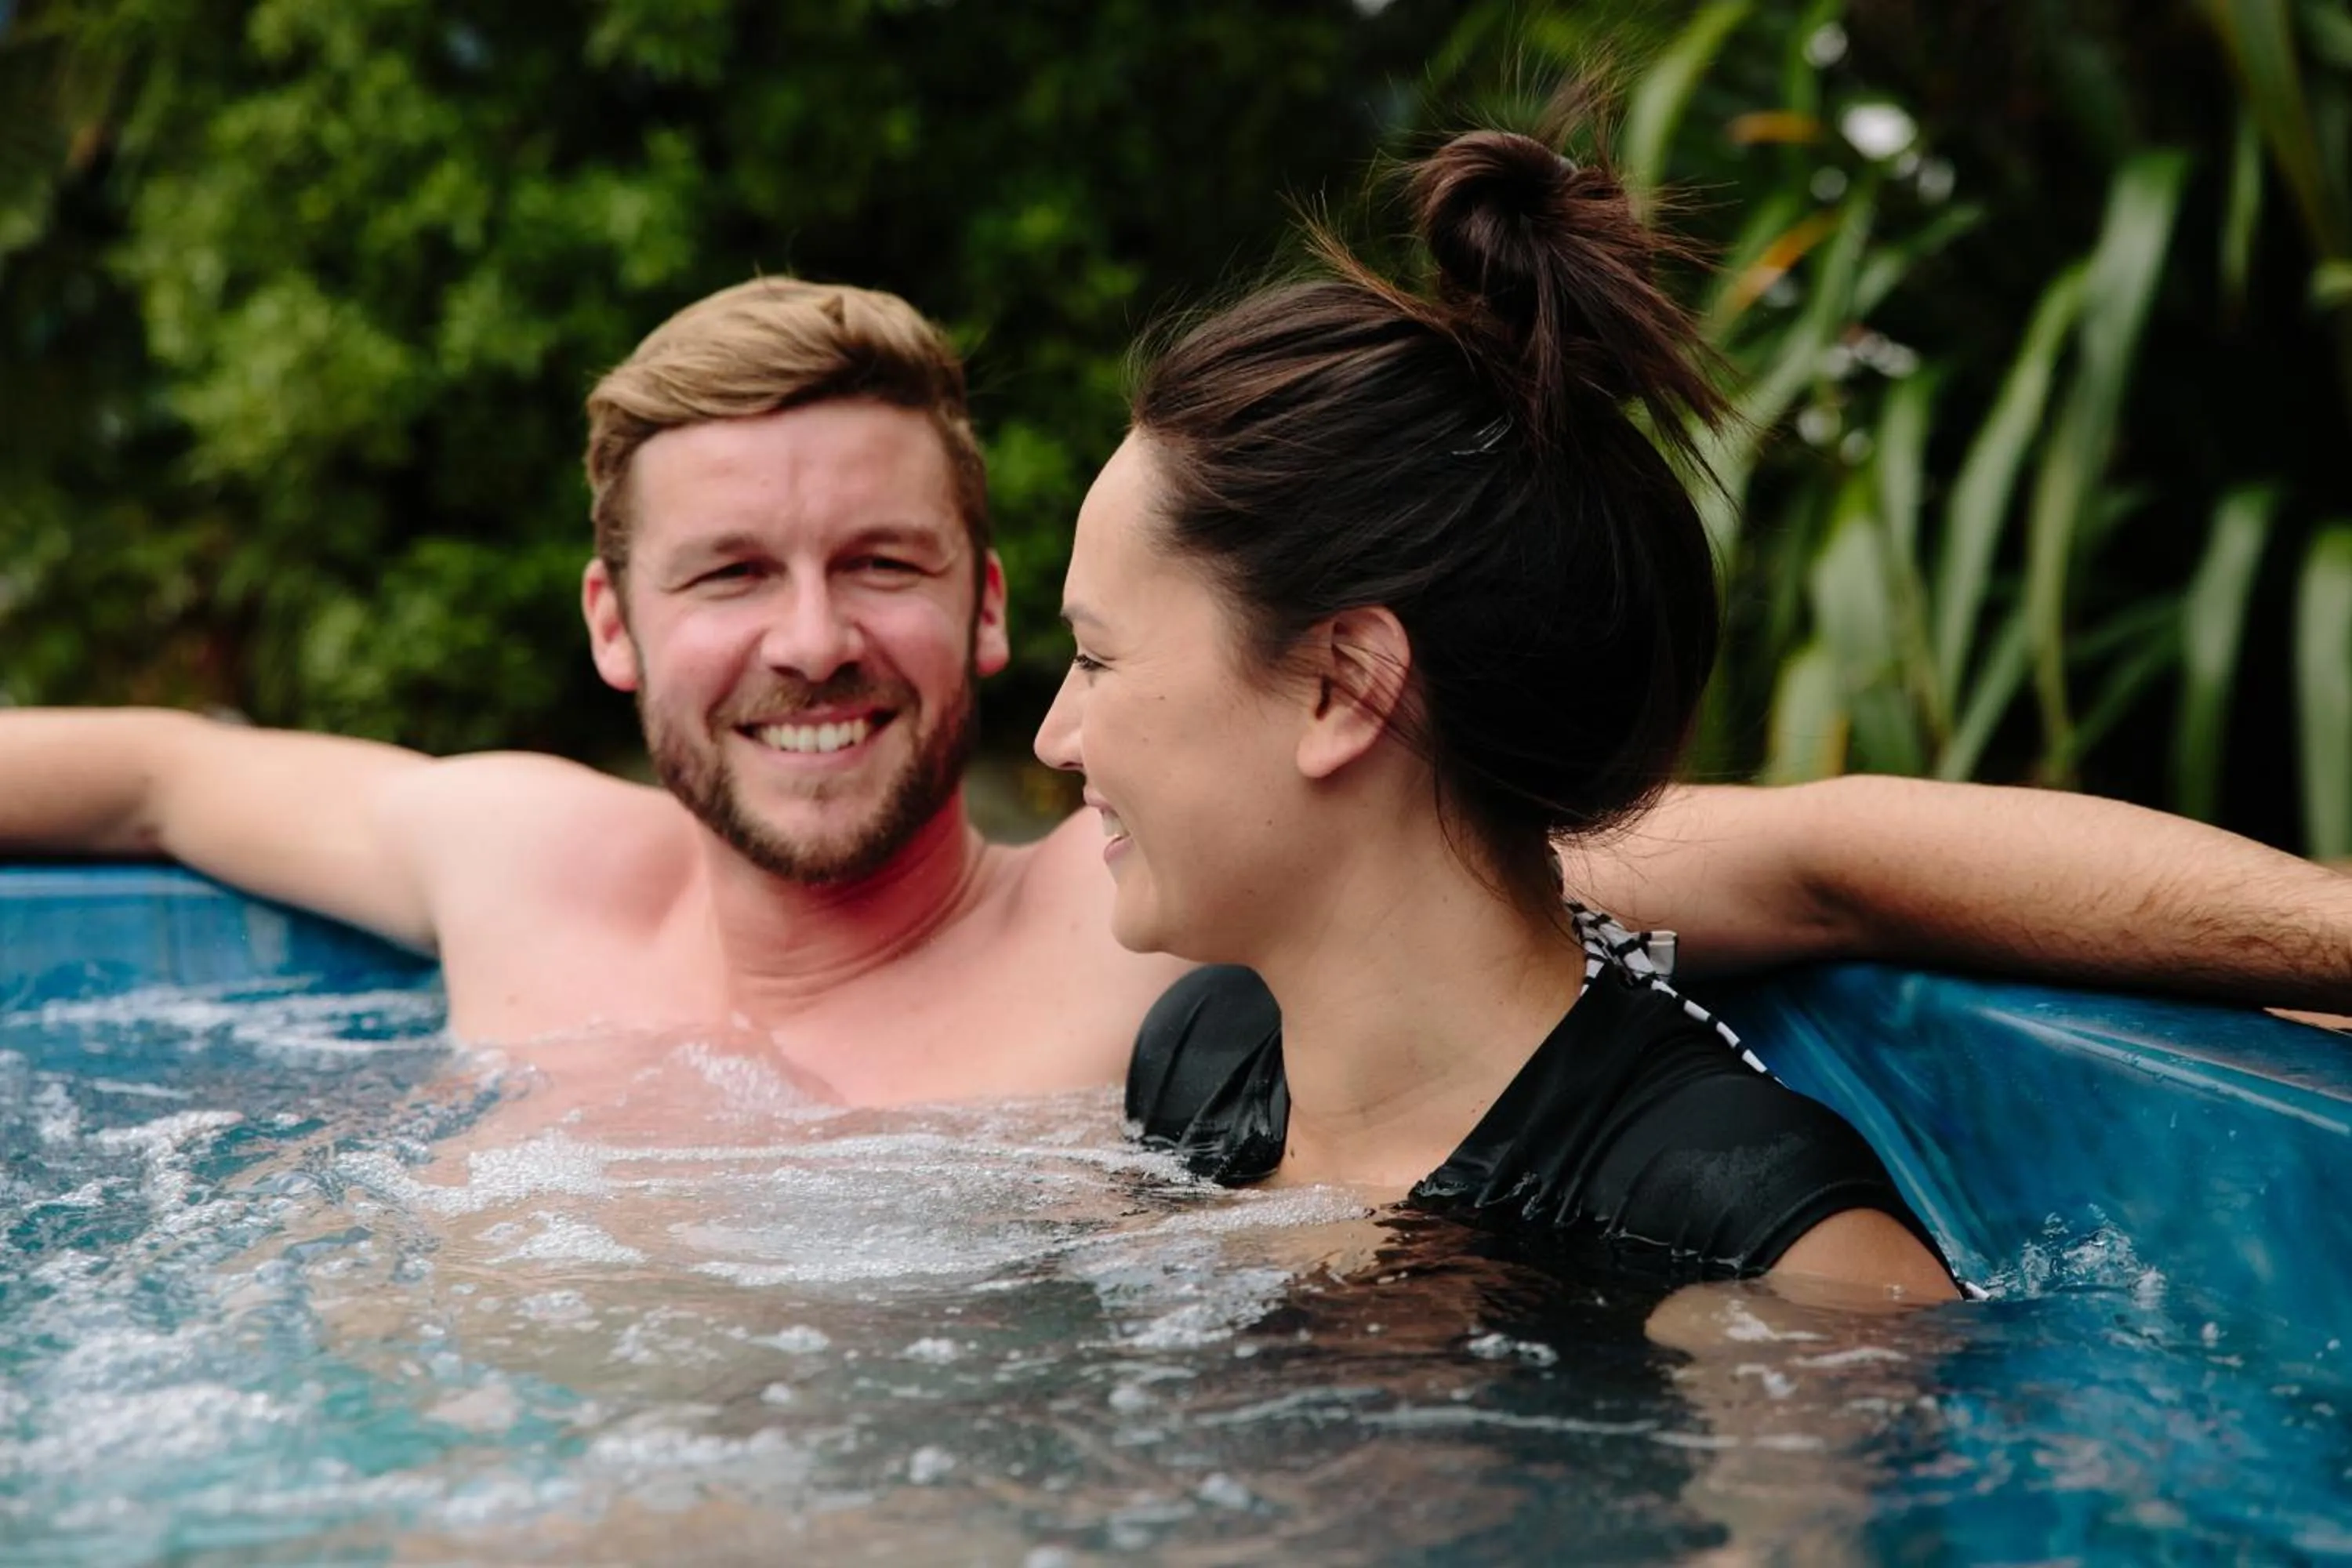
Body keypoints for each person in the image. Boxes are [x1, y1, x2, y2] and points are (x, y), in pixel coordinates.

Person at [0, 275, 2346, 1109]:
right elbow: (141, 782)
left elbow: (1827, 854)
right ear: (616, 628)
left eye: (885, 563)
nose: (812, 636)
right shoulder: (508, 856)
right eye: (730, 573)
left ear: (999, 609)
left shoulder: (1167, 954)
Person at [1030, 125, 1986, 1294]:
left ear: (1342, 686)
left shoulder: (1750, 1244)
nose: (1054, 737)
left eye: (1095, 658)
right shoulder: (1199, 1059)